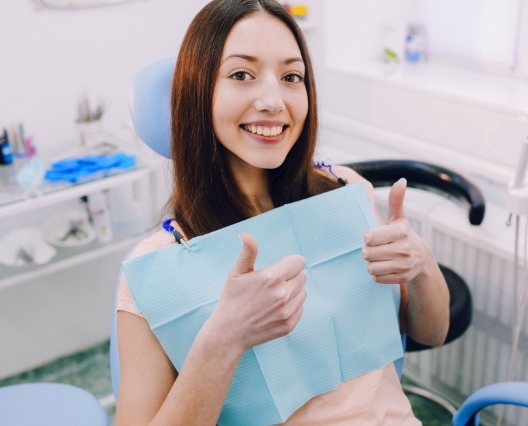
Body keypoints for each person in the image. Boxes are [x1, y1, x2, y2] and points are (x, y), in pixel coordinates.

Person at [115, 0, 450, 424]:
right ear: (197, 93)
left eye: (292, 77)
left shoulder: (346, 191)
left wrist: (420, 264)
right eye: (241, 75)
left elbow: (431, 332)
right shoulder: (156, 269)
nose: (274, 100)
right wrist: (224, 339)